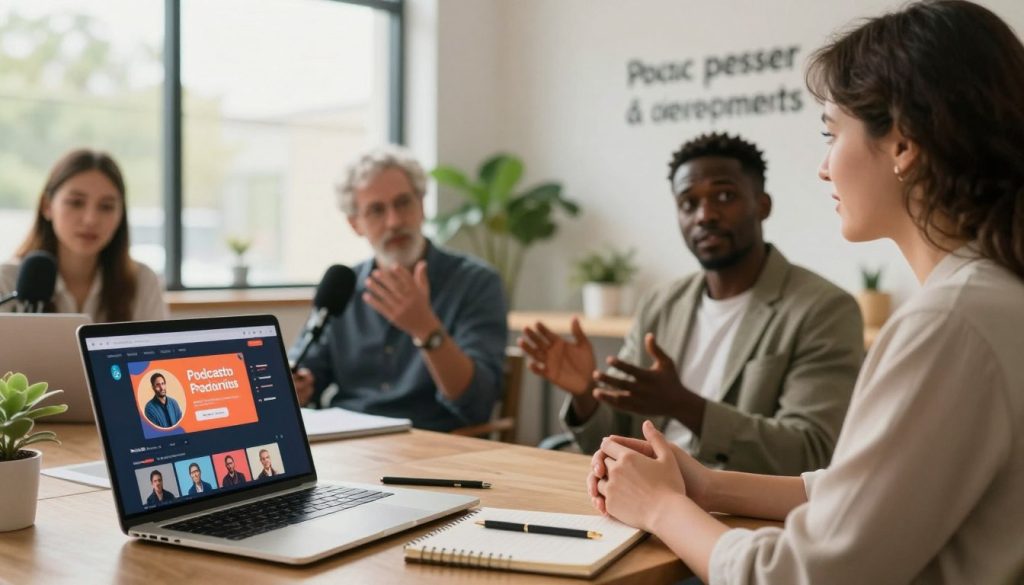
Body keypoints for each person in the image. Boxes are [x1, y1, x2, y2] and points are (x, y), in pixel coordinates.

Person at [587, 2, 1024, 583]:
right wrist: (707, 485)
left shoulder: (947, 323)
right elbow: (865, 491)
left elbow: (804, 574)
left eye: (831, 134)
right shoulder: (992, 295)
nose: (822, 167)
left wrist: (662, 508)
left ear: (903, 144)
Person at [520, 133, 863, 474]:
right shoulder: (661, 303)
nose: (704, 215)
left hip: (737, 501)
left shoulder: (823, 309)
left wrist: (684, 406)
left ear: (762, 205)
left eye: (724, 196)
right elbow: (614, 435)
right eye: (688, 203)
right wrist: (586, 393)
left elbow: (811, 451)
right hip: (641, 490)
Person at [290, 145, 508, 432]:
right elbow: (307, 369)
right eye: (377, 210)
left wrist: (425, 328)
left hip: (434, 443)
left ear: (422, 205)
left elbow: (477, 403)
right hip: (348, 441)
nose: (394, 221)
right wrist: (300, 385)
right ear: (355, 224)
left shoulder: (476, 282)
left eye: (403, 203)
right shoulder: (344, 286)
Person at [0, 149, 168, 322]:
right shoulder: (7, 280)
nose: (90, 219)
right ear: (47, 206)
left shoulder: (142, 281)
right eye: (76, 203)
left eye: (106, 206)